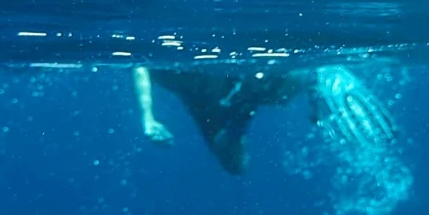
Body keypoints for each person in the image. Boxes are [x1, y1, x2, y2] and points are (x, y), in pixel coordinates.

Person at [133, 62, 394, 175]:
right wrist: (148, 118)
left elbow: (140, 65)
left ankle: (312, 76)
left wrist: (148, 118)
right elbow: (141, 65)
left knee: (269, 87)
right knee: (234, 164)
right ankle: (250, 105)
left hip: (224, 84)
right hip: (208, 98)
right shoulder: (163, 70)